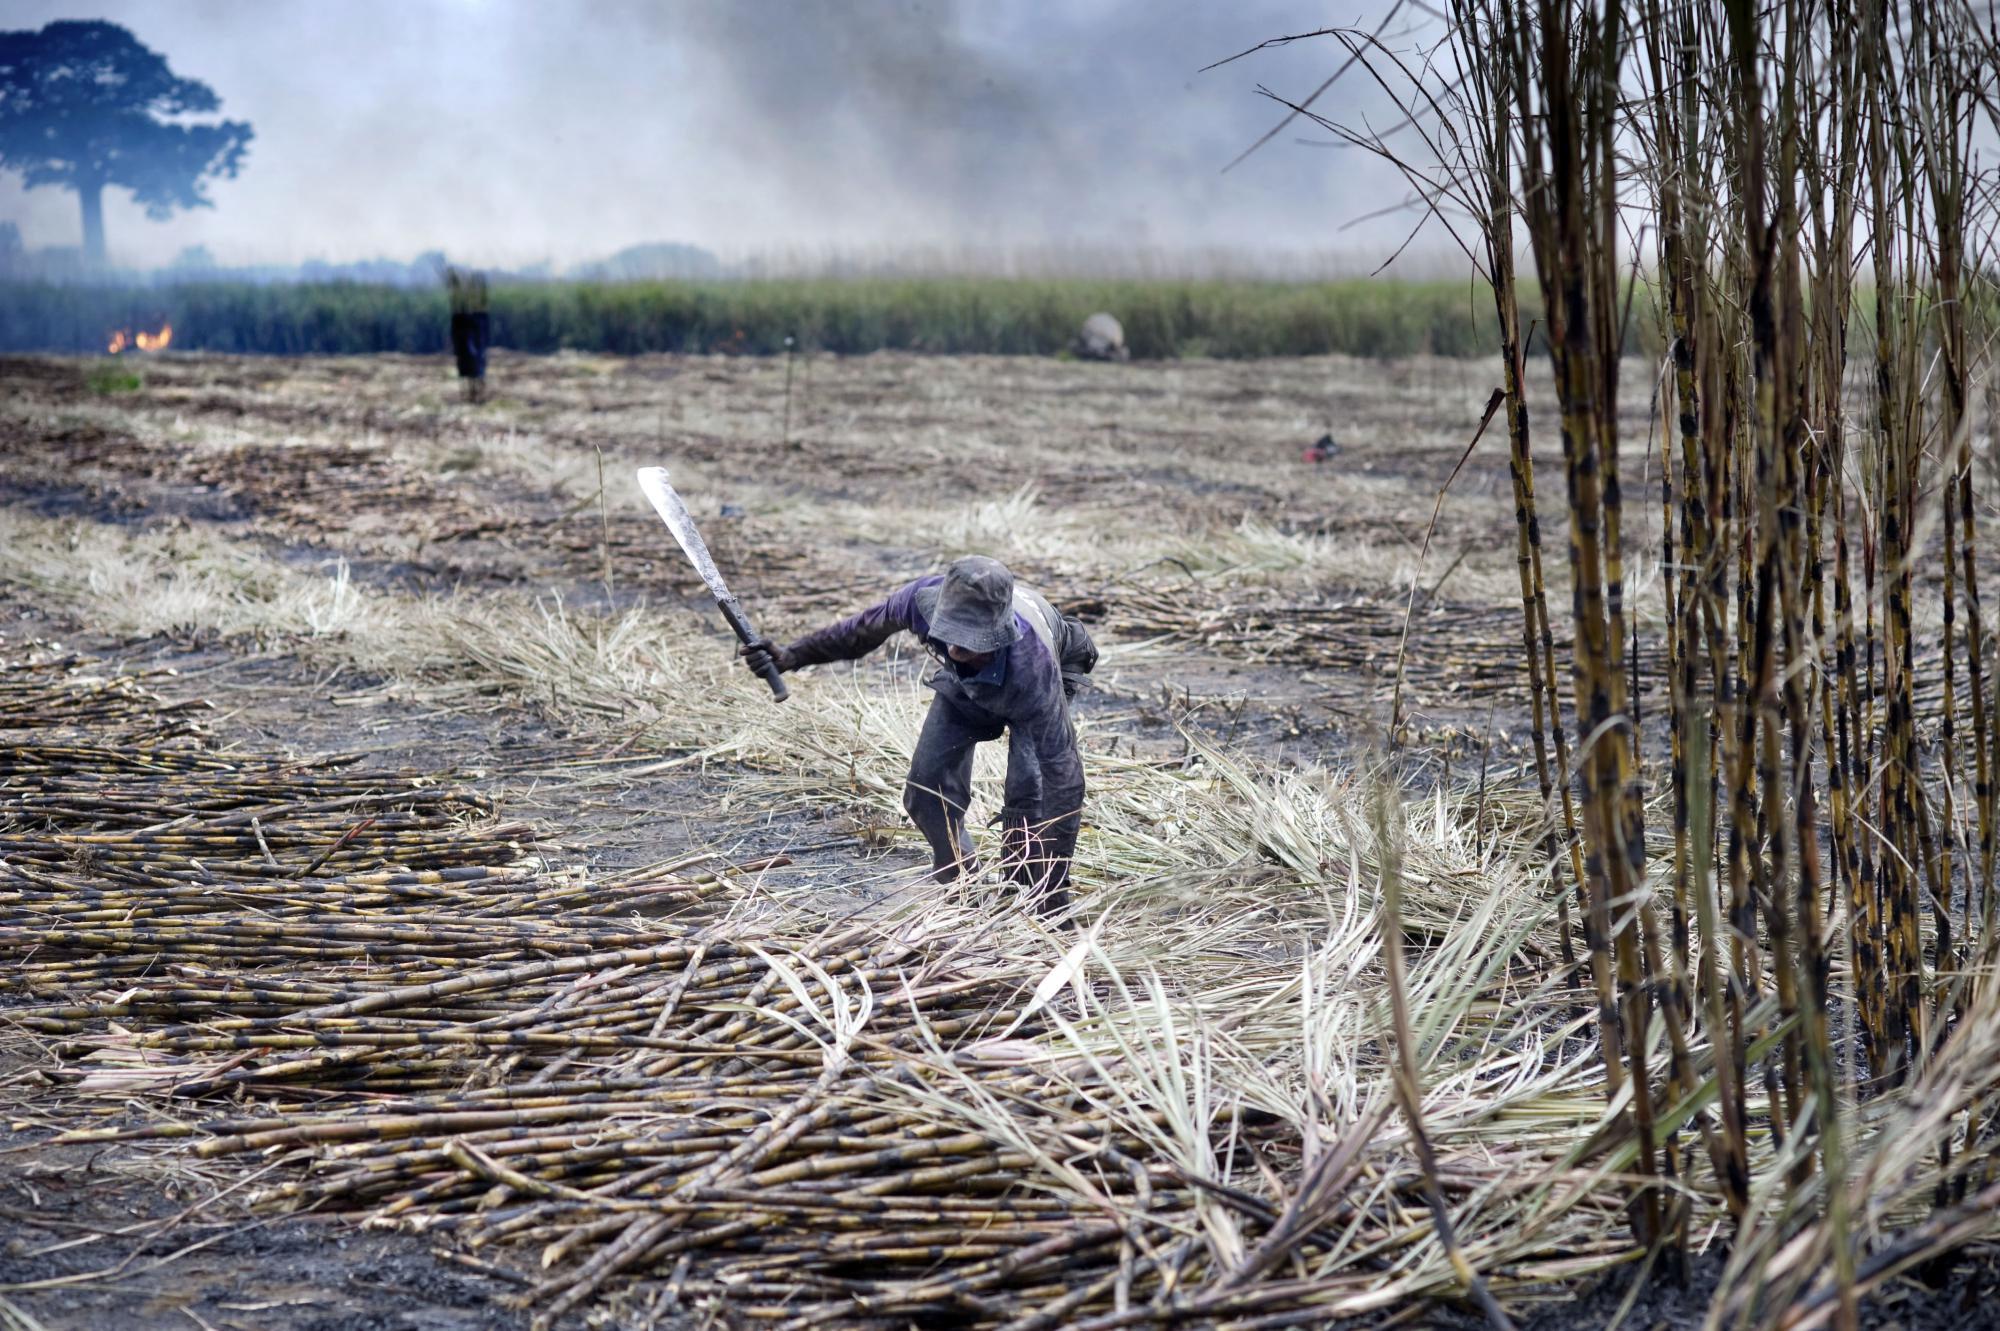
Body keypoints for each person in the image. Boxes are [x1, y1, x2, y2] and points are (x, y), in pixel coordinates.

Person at [741, 556, 1097, 918]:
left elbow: (1065, 781)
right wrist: (791, 656)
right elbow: (860, 632)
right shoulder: (921, 600)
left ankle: (1030, 904)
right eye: (950, 634)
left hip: (1040, 671)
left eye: (969, 640)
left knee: (1028, 796)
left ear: (996, 636)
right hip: (969, 681)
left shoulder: (1033, 667)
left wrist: (1055, 885)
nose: (954, 648)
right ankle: (966, 893)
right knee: (927, 787)